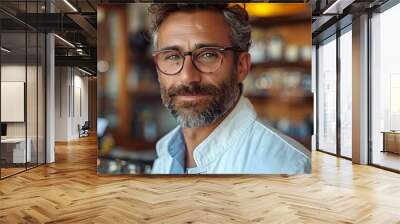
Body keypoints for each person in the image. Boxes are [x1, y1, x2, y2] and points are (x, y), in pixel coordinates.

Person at [148, 3, 311, 174]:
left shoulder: (287, 168)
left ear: (241, 66)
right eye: (172, 56)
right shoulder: (165, 155)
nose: (188, 77)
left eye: (208, 54)